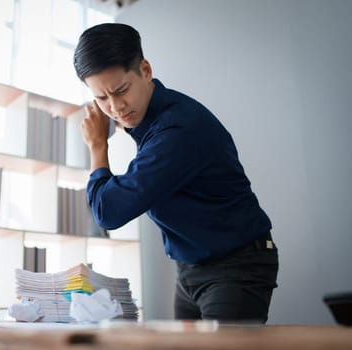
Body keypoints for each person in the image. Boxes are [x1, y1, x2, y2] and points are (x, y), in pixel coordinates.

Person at [73, 23, 279, 323]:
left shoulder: (177, 130)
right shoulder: (149, 120)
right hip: (190, 269)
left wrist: (97, 146)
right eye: (102, 99)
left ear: (145, 70)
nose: (115, 107)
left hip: (235, 267)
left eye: (121, 91)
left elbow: (109, 212)